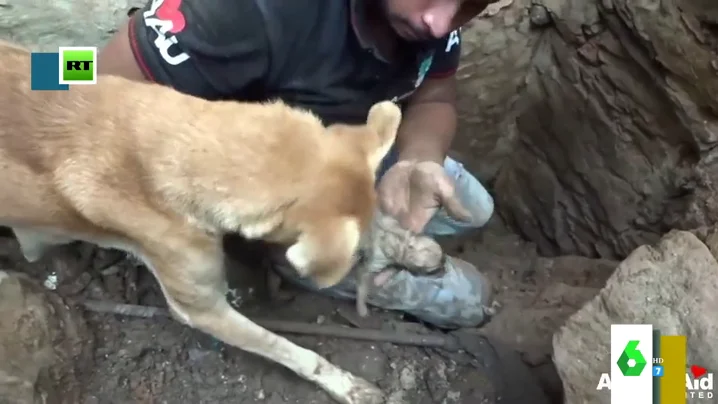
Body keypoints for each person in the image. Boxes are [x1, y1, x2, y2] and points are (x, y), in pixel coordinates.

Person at [99, 0, 496, 329]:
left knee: (477, 212)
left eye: (468, 7)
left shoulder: (431, 18)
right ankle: (286, 260)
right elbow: (101, 73)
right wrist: (40, 71)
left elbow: (436, 97)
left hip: (362, 152)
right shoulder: (243, 10)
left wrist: (419, 160)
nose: (439, 22)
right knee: (472, 300)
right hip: (287, 202)